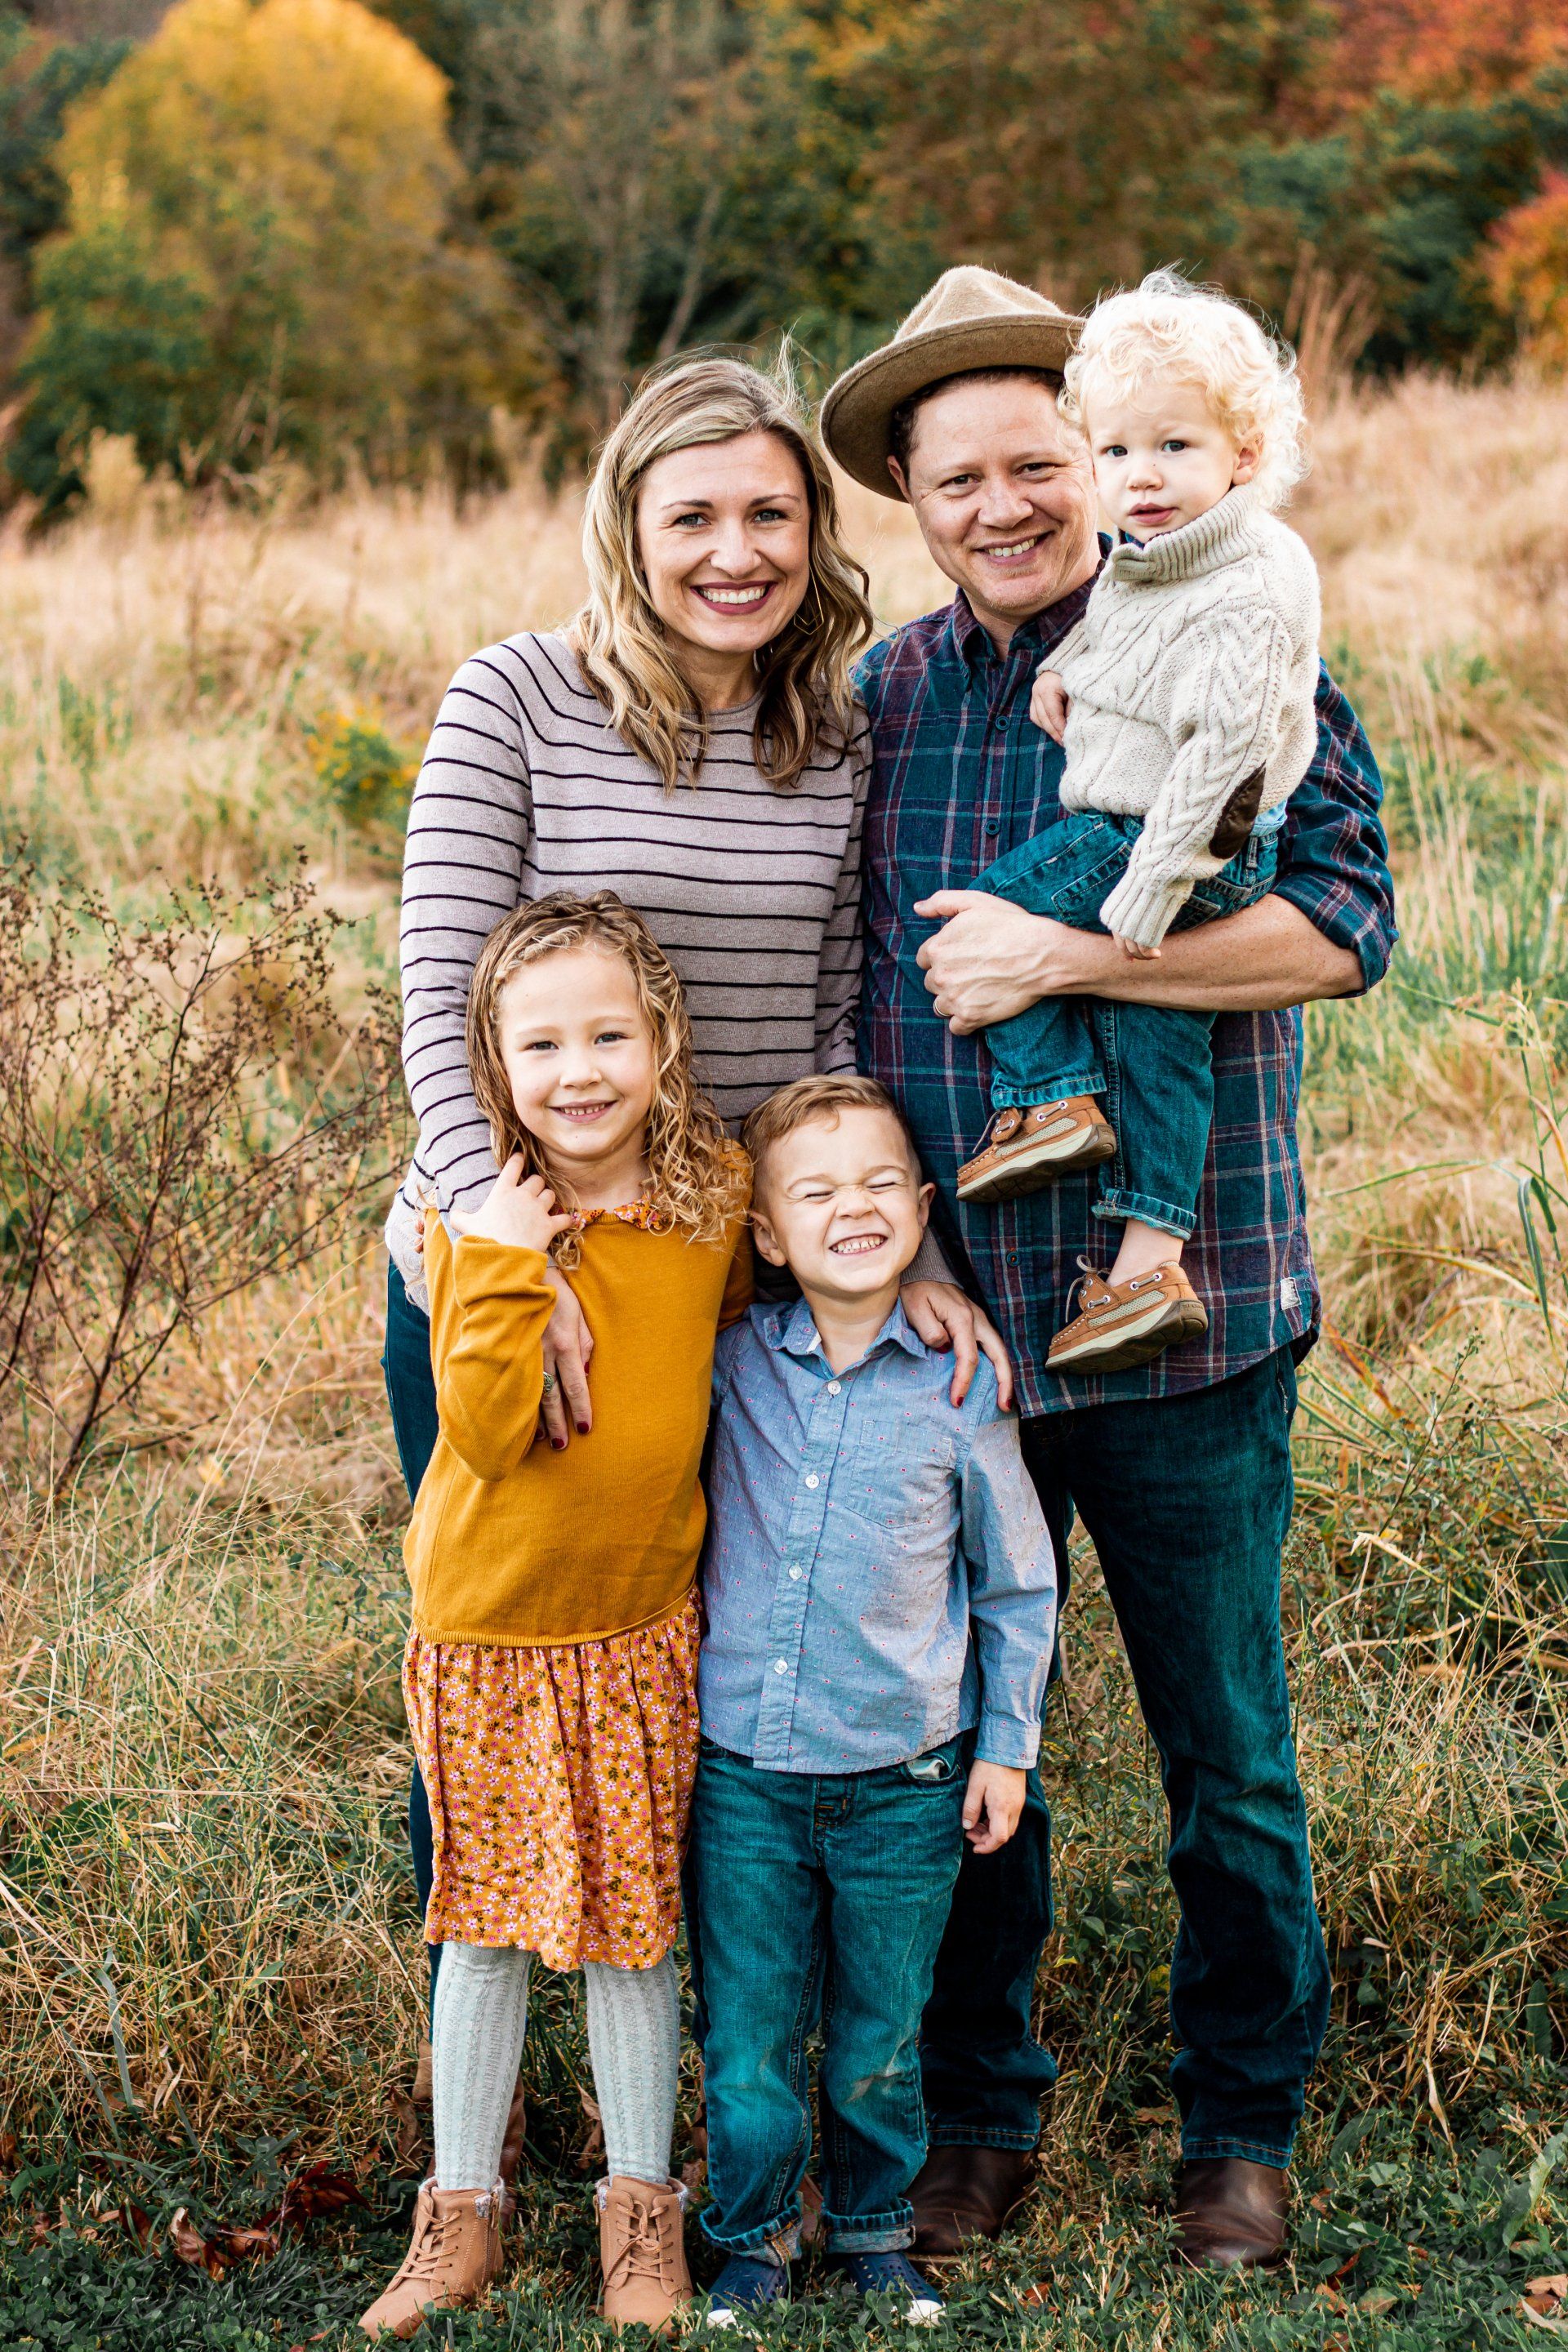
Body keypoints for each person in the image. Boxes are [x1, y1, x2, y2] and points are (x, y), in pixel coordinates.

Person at [821, 266, 1396, 2268]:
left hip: (1191, 1303)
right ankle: (979, 2113)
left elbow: (1338, 926)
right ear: (912, 492)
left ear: (1110, 457)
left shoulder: (1230, 620)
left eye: (1037, 461)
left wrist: (1078, 953)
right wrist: (888, 1265)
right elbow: (856, 993)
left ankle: (1241, 2128)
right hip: (961, 1323)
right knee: (966, 1737)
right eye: (955, 473)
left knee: (1221, 1749)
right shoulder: (889, 696)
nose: (1005, 504)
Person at [381, 356, 1005, 2047]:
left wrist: (890, 1250)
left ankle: (700, 2104)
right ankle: (479, 2119)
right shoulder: (516, 694)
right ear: (626, 525)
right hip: (511, 1269)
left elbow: (818, 1032)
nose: (736, 550)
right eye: (694, 516)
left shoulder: (833, 732)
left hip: (712, 1292)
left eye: (772, 514)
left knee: (678, 1687)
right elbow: (445, 987)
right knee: (502, 1668)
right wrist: (509, 1251)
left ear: (815, 530)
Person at [360, 893, 751, 2341]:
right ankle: (459, 2215)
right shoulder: (482, 1224)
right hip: (489, 1633)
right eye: (541, 1045)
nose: (577, 1070)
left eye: (607, 1036)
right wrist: (512, 1262)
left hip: (642, 1628)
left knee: (634, 1927)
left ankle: (640, 2220)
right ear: (492, 1065)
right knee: (488, 1926)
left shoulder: (712, 1204)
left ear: (662, 1042)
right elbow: (482, 1428)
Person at [685, 1075, 1056, 2329]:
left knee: (878, 2034)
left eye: (881, 1182)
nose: (855, 1206)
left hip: (906, 1779)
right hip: (744, 1773)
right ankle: (745, 2237)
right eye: (817, 1189)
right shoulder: (735, 1367)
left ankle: (872, 2229)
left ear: (923, 1206)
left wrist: (1005, 1750)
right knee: (746, 2038)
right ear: (769, 1235)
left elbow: (1016, 1586)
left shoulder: (960, 1388)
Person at [955, 271, 1322, 1377]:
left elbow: (1229, 766)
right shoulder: (1159, 559)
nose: (1141, 477)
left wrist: (1143, 905)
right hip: (1161, 842)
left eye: (1172, 448)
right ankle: (1146, 1269)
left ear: (1243, 455)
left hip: (1167, 841)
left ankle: (1051, 1099)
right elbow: (1122, 622)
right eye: (1116, 452)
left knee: (992, 915)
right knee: (1163, 1039)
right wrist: (1065, 670)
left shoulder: (1252, 585)